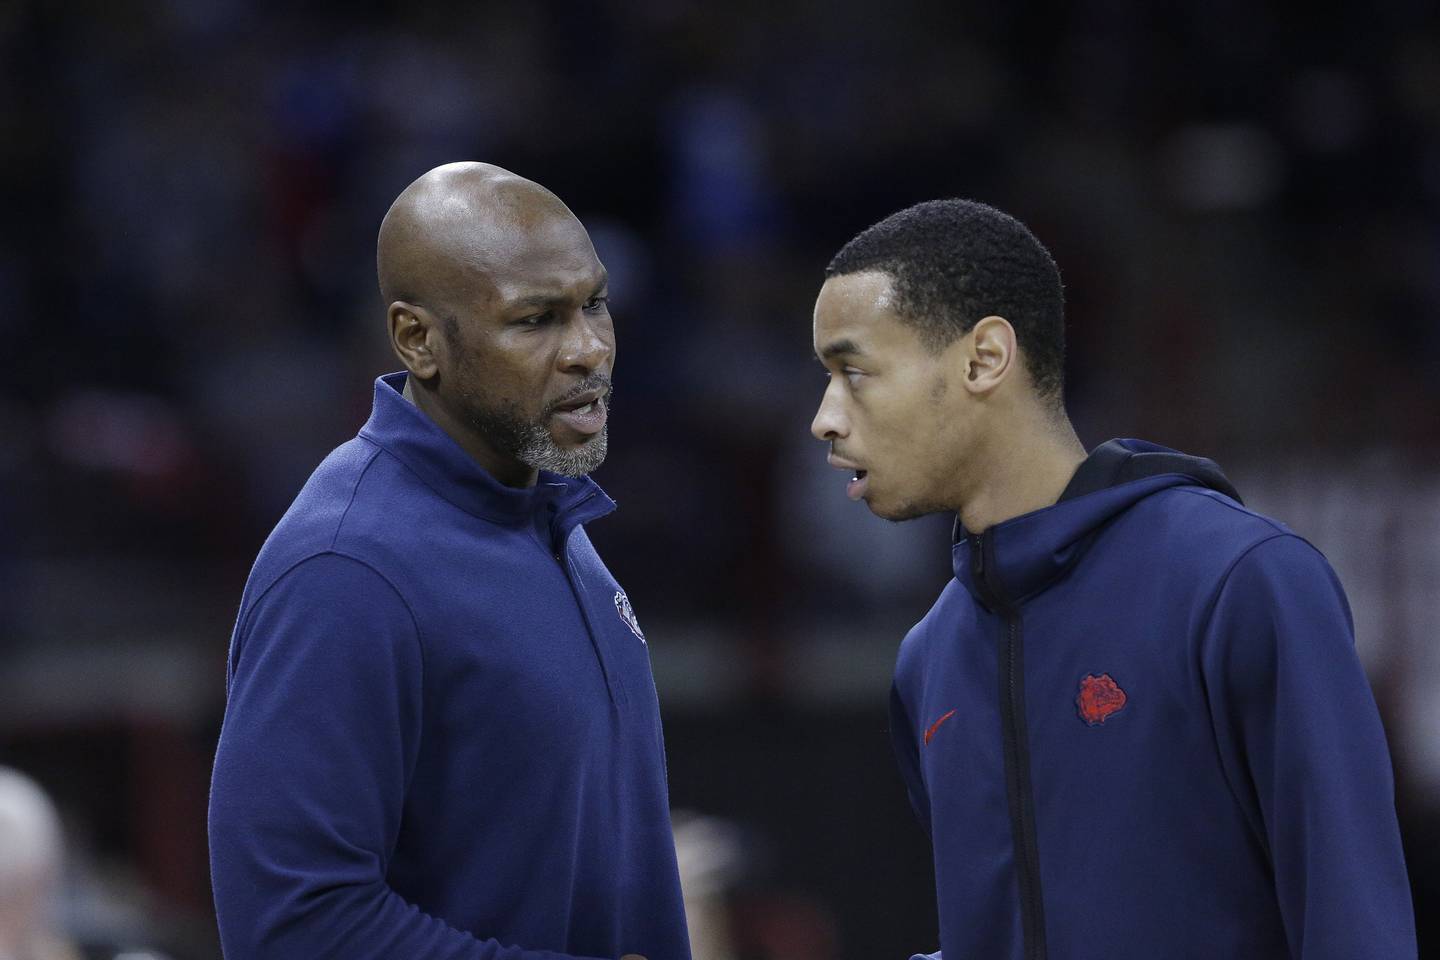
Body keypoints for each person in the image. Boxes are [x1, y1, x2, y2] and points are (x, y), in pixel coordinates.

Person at [808, 199, 1416, 959]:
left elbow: (1354, 925)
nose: (824, 418)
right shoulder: (927, 659)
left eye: (853, 371)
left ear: (985, 357)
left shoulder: (1239, 581)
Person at [208, 162, 690, 960]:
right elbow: (292, 926)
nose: (589, 349)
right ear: (417, 339)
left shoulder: (546, 512)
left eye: (594, 304)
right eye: (535, 320)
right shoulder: (345, 569)